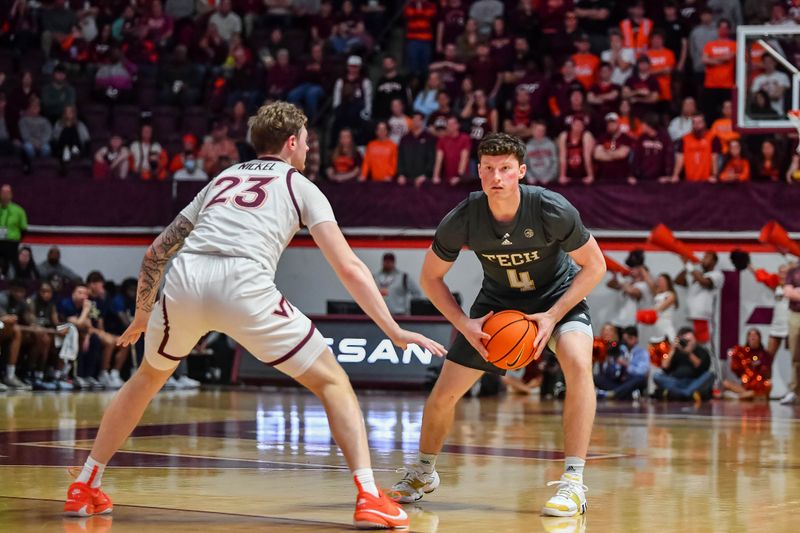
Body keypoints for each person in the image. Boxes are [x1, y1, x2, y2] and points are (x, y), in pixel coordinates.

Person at [63, 102, 445, 529]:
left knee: (146, 379)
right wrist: (392, 329)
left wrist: (141, 314)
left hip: (186, 280)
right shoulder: (299, 185)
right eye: (307, 140)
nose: (309, 149)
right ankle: (370, 497)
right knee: (333, 380)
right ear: (292, 142)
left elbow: (156, 252)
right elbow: (350, 267)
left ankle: (85, 484)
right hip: (243, 283)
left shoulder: (222, 179)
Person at [391, 132, 606, 517]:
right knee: (445, 392)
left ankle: (573, 483)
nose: (497, 176)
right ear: (478, 172)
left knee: (577, 364)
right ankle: (423, 471)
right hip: (497, 307)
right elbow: (430, 279)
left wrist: (553, 315)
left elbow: (596, 266)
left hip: (556, 301)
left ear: (521, 171)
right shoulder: (464, 217)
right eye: (489, 169)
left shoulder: (550, 209)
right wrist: (465, 323)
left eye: (506, 168)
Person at [675, 252, 725, 378]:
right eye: (703, 257)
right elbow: (678, 281)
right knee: (690, 349)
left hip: (703, 318)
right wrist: (686, 266)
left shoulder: (717, 275)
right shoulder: (695, 274)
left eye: (707, 257)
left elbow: (705, 282)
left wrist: (690, 267)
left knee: (708, 350)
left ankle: (715, 381)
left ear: (714, 261)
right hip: (690, 318)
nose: (703, 260)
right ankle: (697, 378)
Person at [654, 326, 715, 402]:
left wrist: (688, 353)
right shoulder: (676, 351)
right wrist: (672, 350)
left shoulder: (701, 351)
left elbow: (701, 366)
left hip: (694, 381)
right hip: (676, 382)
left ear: (695, 340)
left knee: (709, 375)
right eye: (684, 341)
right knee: (656, 376)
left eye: (689, 340)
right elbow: (664, 366)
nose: (687, 343)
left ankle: (682, 393)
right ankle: (686, 393)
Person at [594, 326, 649, 400]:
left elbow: (642, 372)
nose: (625, 343)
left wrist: (626, 364)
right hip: (616, 382)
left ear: (635, 339)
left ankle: (612, 394)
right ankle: (621, 393)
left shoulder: (642, 352)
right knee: (596, 377)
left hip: (628, 381)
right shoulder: (619, 348)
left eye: (627, 340)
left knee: (641, 379)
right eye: (624, 340)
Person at [781, 262, 800, 404]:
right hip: (795, 315)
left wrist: (796, 291)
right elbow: (788, 293)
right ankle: (794, 390)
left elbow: (793, 293)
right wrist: (794, 293)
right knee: (796, 355)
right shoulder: (793, 271)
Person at [0, 185, 28, 278]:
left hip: (11, 243)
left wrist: (16, 239)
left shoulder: (19, 210)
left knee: (12, 267)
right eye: (2, 192)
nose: (4, 195)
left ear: (11, 195)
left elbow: (24, 229)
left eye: (7, 193)